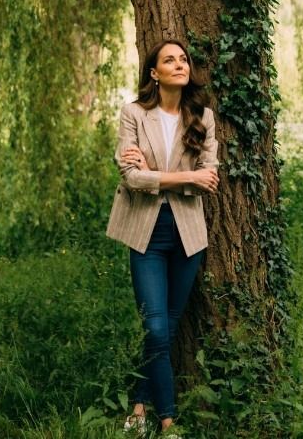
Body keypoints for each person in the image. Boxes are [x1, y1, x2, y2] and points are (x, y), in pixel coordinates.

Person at [106, 39, 220, 436]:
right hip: (146, 233)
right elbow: (132, 178)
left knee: (167, 327)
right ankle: (169, 421)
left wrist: (156, 171)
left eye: (183, 59)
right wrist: (184, 176)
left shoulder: (202, 117)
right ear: (154, 73)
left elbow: (209, 179)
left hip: (188, 235)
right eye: (169, 60)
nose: (179, 64)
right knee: (154, 327)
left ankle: (139, 404)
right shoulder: (134, 114)